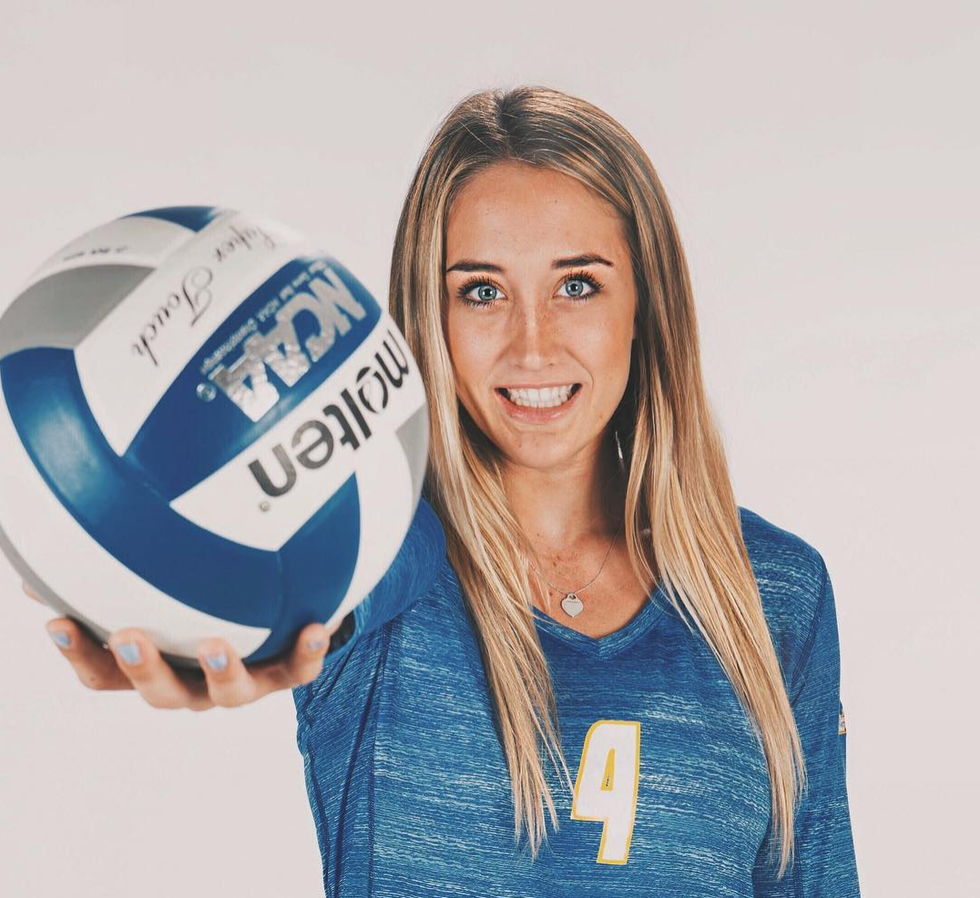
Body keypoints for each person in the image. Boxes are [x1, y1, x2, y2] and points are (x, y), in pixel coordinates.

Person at [29, 85, 861, 895]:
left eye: (577, 285)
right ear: (432, 316)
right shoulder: (385, 553)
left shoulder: (773, 592)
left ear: (645, 307)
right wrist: (195, 621)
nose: (532, 346)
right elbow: (293, 590)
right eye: (482, 292)